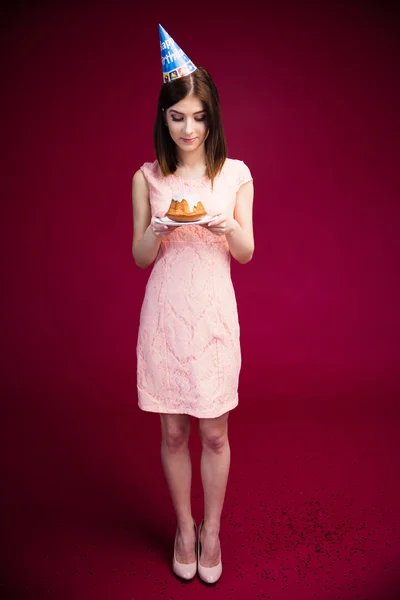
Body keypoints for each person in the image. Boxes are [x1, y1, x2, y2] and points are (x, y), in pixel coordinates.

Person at [131, 25, 254, 584]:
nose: (187, 127)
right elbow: (138, 256)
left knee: (214, 433)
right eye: (176, 115)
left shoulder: (235, 175)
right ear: (164, 118)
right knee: (174, 433)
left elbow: (247, 252)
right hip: (165, 315)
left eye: (197, 115)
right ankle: (184, 527)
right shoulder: (148, 177)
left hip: (212, 317)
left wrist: (227, 222)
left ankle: (213, 529)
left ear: (212, 118)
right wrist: (157, 228)